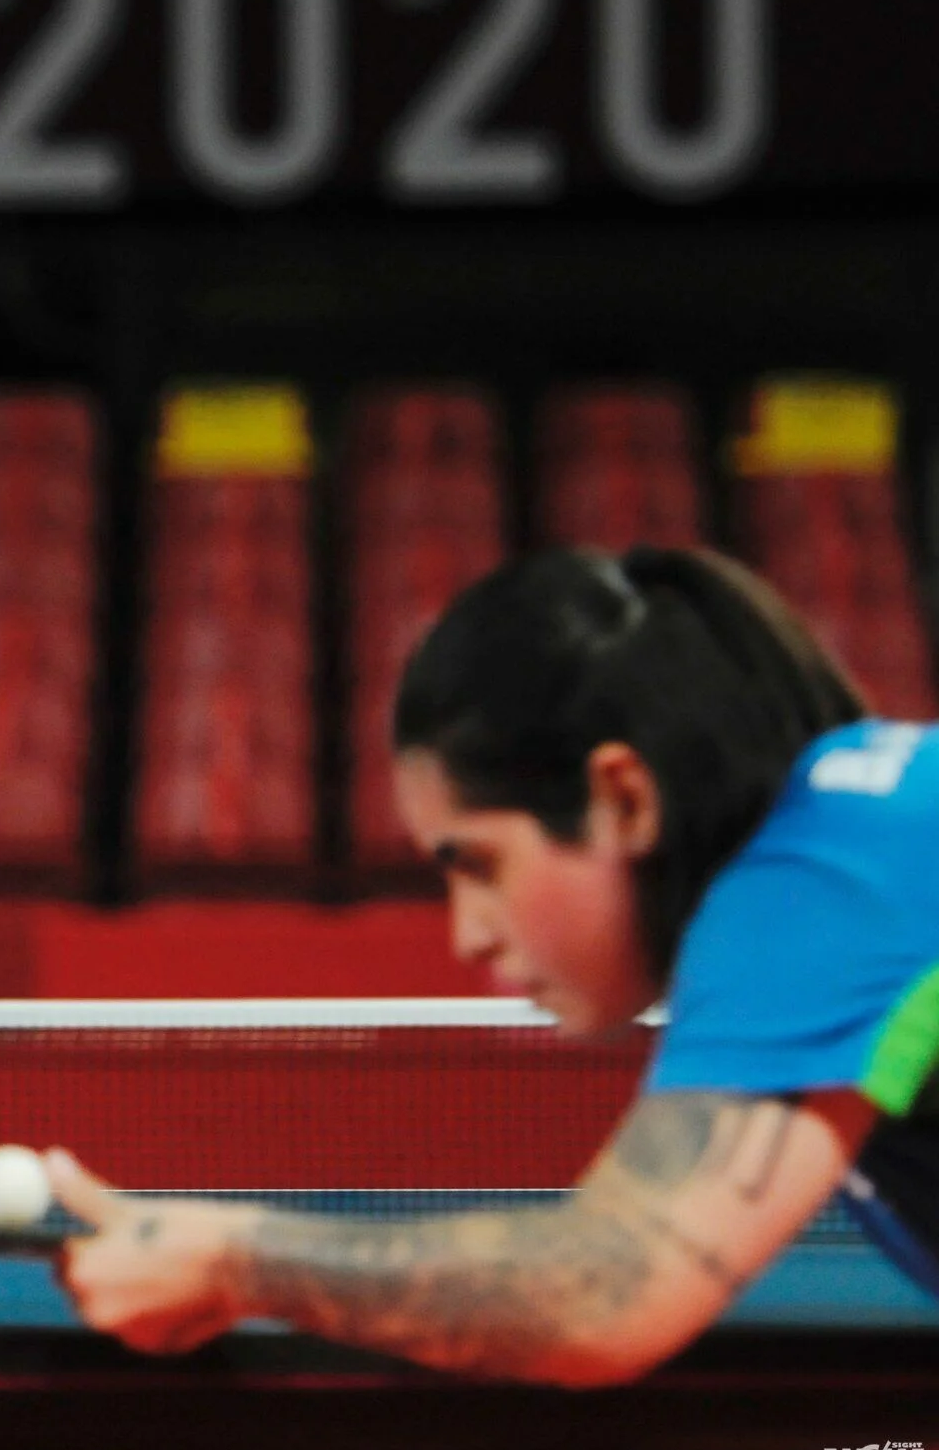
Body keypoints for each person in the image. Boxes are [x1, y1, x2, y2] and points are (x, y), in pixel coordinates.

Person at [48, 545, 935, 1383]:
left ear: (623, 797)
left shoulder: (837, 871)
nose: (469, 936)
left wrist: (231, 1256)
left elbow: (611, 1292)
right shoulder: (860, 839)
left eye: (478, 864)